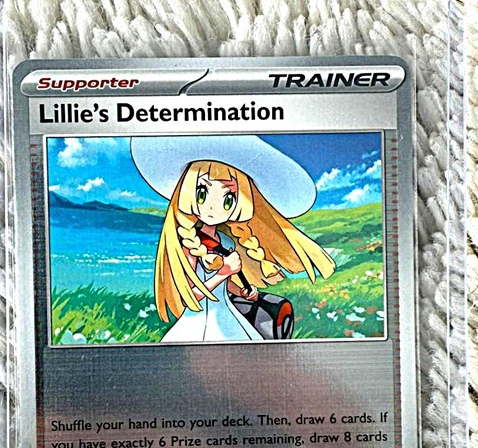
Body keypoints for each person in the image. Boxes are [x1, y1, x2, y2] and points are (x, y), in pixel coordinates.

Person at [130, 135, 335, 342]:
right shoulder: (189, 245)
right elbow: (189, 297)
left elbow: (225, 286)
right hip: (197, 321)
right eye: (202, 194)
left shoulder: (226, 242)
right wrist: (223, 272)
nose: (212, 208)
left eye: (228, 199)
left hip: (227, 315)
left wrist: (242, 291)